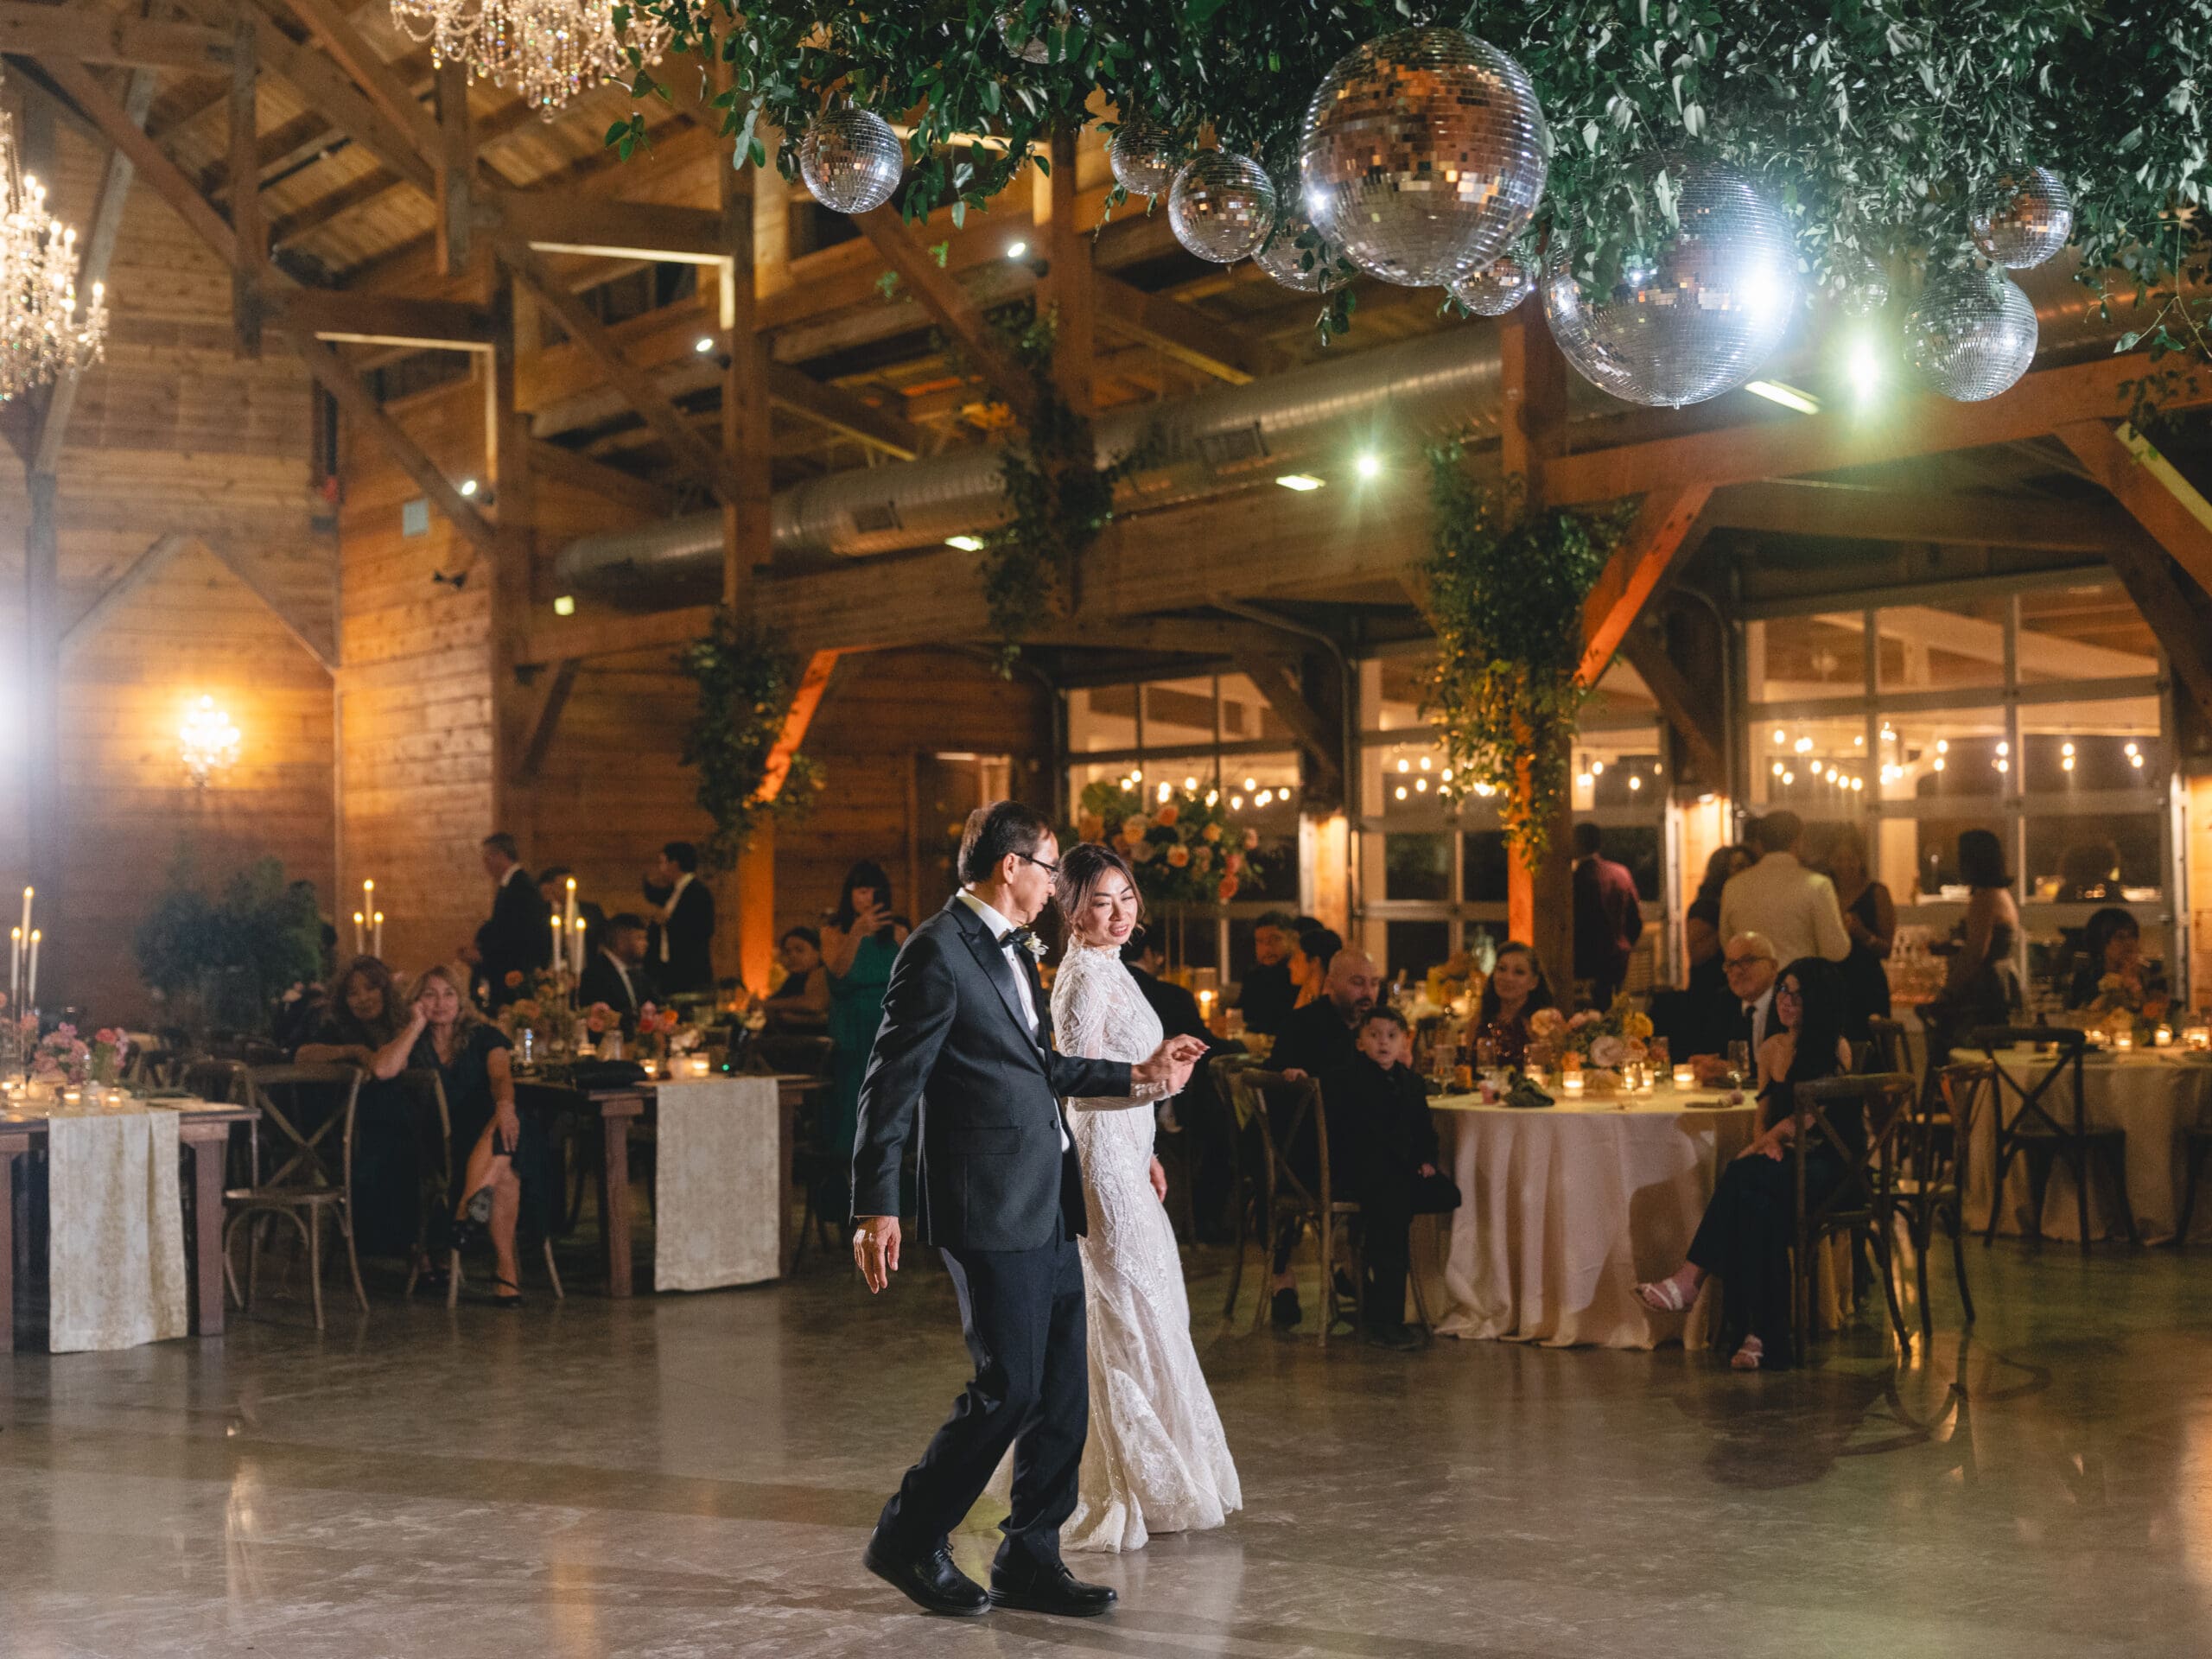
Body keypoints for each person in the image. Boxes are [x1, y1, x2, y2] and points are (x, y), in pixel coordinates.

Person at [849, 801, 1201, 1618]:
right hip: (987, 1203)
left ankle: (1030, 1559)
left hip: (1049, 1196)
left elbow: (1038, 1065)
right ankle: (906, 1537)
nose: (1055, 884)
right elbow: (889, 1084)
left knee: (1059, 1393)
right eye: (1049, 867)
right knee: (1007, 1387)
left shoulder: (1017, 953)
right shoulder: (936, 950)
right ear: (1012, 866)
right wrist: (877, 1204)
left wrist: (1140, 1076)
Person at [1046, 842, 1239, 1551]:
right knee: (1124, 1306)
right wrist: (1150, 1078)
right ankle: (1121, 1480)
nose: (1120, 913)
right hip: (1098, 1162)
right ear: (1072, 910)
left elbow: (1124, 1075)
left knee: (1156, 1304)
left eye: (1126, 897)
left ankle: (1168, 1472)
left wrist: (1153, 1135)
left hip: (1130, 1154)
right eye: (1102, 901)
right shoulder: (1081, 980)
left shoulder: (1117, 969)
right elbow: (1074, 1079)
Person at [1636, 957, 1854, 1370]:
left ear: (1820, 1000)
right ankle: (1763, 1335)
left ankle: (1691, 1280)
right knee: (1756, 1201)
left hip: (1830, 1161)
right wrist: (1762, 1144)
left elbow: (1815, 1116)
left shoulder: (1834, 1046)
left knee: (1744, 1179)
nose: (1787, 1001)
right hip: (1787, 1160)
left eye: (1798, 993)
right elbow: (1763, 1113)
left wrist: (1768, 1144)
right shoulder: (1771, 1047)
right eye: (1784, 992)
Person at [371, 965, 545, 1307]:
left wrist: (505, 1106)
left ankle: (465, 1212)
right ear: (417, 1001)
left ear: (460, 999)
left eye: (449, 993)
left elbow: (499, 1075)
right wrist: (416, 1024)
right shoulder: (412, 1039)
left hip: (490, 1127)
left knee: (505, 1129)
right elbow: (382, 1070)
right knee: (506, 1164)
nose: (441, 1002)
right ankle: (504, 1272)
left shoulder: (484, 1035)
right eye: (430, 995)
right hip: (438, 1142)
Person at [295, 956, 442, 1280]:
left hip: (397, 1125)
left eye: (371, 988)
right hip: (345, 1127)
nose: (363, 999)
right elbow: (303, 1055)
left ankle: (415, 1245)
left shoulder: (402, 1024)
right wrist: (352, 1052)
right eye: (353, 993)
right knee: (390, 1123)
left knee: (396, 1122)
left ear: (385, 988)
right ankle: (416, 1250)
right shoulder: (336, 1026)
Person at [1267, 945, 1382, 1328]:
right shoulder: (1302, 1026)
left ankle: (1352, 1268)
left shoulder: (1376, 1028)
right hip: (1302, 1159)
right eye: (1357, 983)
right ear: (1331, 984)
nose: (1368, 992)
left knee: (1392, 1164)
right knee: (1381, 1169)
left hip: (1354, 1150)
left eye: (1374, 983)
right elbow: (1278, 1091)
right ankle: (1292, 1276)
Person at [1331, 1005, 1444, 1351]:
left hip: (1397, 1174)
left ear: (1403, 1043)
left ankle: (1387, 1313)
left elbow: (1423, 1128)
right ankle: (1385, 1319)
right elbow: (1354, 1133)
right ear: (1360, 1041)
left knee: (1400, 1216)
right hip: (1364, 1172)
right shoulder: (1352, 1079)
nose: (1383, 1043)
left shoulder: (1410, 1082)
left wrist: (1426, 1159)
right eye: (1374, 1035)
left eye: (1392, 1036)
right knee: (1390, 1224)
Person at [821, 861, 910, 1222]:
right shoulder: (834, 930)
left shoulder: (900, 931)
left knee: (889, 1109)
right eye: (860, 890)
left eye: (873, 890)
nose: (867, 897)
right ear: (849, 895)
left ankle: (893, 1195)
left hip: (887, 1024)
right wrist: (856, 932)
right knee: (851, 1109)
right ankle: (847, 1198)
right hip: (851, 1028)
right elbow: (838, 973)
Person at [1919, 830, 2019, 1058]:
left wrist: (1947, 992)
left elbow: (1976, 952)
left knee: (1959, 1057)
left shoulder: (1984, 899)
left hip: (1983, 994)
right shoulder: (2000, 894)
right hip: (2000, 984)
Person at [1717, 810, 1850, 969]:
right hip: (1799, 987)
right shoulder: (1818, 885)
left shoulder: (1734, 886)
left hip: (1753, 987)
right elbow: (1836, 951)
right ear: (1798, 841)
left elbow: (1728, 944)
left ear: (1760, 843)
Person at [1819, 824, 1895, 1043]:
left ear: (1861, 860)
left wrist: (1862, 934)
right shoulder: (1825, 892)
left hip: (1866, 983)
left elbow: (1887, 949)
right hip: (1832, 982)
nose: (1845, 865)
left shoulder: (1877, 893)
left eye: (1850, 859)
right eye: (1838, 859)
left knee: (1872, 1049)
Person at [464, 832, 550, 1008]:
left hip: (515, 972)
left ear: (501, 856)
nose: (485, 864)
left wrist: (484, 955)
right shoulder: (511, 886)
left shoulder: (521, 888)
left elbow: (515, 934)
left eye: (487, 857)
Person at [1681, 845, 1753, 1053]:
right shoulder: (1706, 906)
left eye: (1749, 866)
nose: (1744, 872)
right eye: (1738, 866)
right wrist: (1727, 927)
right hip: (1710, 985)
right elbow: (1696, 953)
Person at [1570, 822, 1643, 1007]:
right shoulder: (1620, 873)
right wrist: (1625, 944)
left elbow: (1579, 924)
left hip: (1587, 963)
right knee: (1613, 1010)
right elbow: (1635, 921)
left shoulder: (1578, 879)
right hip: (1618, 958)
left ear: (1578, 843)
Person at [1467, 940, 1554, 1071]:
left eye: (1519, 972)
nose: (1508, 978)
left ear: (1534, 982)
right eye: (1502, 969)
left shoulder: (1544, 1024)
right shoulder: (1478, 1021)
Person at [644, 841, 715, 996]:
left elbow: (703, 929)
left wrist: (668, 921)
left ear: (674, 864)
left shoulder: (697, 892)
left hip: (689, 969)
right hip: (669, 968)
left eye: (663, 863)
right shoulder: (675, 890)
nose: (660, 869)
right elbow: (655, 896)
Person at [2066, 905, 2147, 1010]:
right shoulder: (2086, 979)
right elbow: (2082, 1013)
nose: (2129, 943)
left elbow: (2152, 1016)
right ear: (2101, 943)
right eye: (2120, 937)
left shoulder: (2145, 976)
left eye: (2133, 936)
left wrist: (2134, 985)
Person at [578, 912, 658, 1020]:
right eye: (639, 938)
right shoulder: (595, 974)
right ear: (621, 941)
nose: (645, 944)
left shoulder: (638, 974)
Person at [1235, 911, 1300, 1035]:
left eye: (1274, 939)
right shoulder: (1252, 977)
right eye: (1260, 941)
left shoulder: (1297, 977)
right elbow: (1240, 1012)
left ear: (1292, 940)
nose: (1267, 948)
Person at [765, 925, 831, 1030]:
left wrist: (768, 1005)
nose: (792, 956)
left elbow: (814, 1005)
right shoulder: (794, 978)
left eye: (799, 950)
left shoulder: (822, 973)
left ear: (818, 952)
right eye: (788, 952)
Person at [537, 866, 607, 962]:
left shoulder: (591, 911)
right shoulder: (540, 913)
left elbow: (604, 939)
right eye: (562, 887)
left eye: (570, 888)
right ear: (550, 888)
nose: (568, 892)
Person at [1287, 926, 1344, 1012]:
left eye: (1296, 959)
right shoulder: (1307, 994)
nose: (1290, 965)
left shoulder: (1333, 1005)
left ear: (1315, 962)